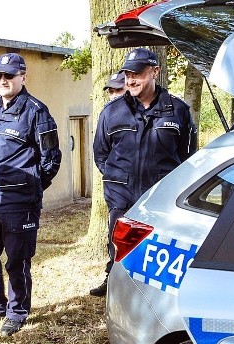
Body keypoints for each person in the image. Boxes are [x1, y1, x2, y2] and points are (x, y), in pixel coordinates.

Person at [89, 48, 197, 297]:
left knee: (159, 250)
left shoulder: (178, 111)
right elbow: (101, 154)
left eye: (137, 73)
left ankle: (156, 295)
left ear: (155, 72)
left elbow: (188, 157)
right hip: (123, 197)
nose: (131, 80)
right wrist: (118, 178)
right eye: (127, 74)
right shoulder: (112, 112)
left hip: (161, 198)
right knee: (119, 247)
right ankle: (115, 285)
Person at [0, 53, 62, 336]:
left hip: (20, 201)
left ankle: (17, 311)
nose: (3, 80)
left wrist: (31, 187)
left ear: (23, 77)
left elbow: (51, 158)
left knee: (17, 260)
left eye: (9, 75)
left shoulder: (37, 112)